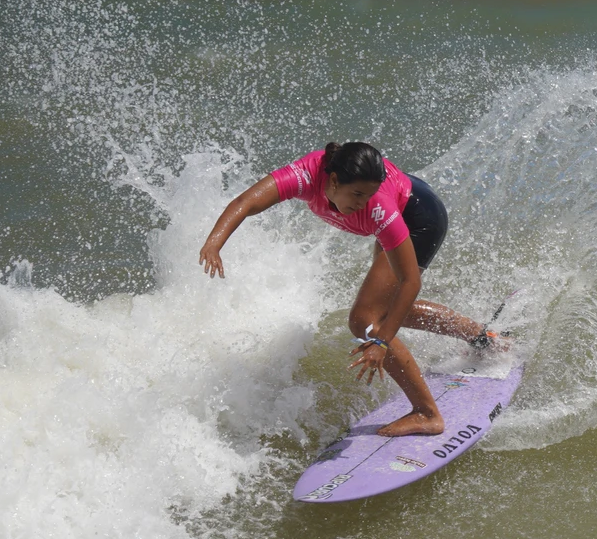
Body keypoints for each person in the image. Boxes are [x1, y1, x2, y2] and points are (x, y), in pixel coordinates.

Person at [199, 141, 504, 437]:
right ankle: (482, 338)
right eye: (357, 194)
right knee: (386, 308)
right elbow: (246, 202)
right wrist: (214, 243)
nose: (361, 203)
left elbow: (411, 282)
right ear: (332, 180)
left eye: (367, 196)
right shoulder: (305, 176)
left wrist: (381, 342)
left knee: (365, 319)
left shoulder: (378, 207)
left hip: (419, 219)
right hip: (406, 199)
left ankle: (427, 413)